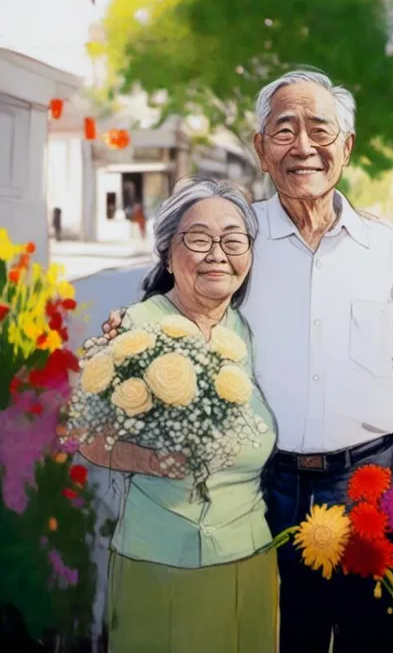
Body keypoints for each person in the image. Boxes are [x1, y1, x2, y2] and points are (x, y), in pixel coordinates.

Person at [89, 70, 393, 653]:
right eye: (284, 130)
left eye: (319, 130)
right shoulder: (239, 238)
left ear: (346, 147)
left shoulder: (386, 248)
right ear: (260, 149)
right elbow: (180, 308)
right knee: (277, 638)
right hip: (266, 488)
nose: (303, 146)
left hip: (371, 484)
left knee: (378, 636)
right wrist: (126, 334)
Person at [79, 179, 278, 653]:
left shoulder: (244, 332)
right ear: (168, 254)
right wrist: (150, 462)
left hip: (247, 558)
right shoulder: (134, 331)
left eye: (233, 240)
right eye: (198, 238)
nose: (217, 253)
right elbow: (85, 435)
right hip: (158, 561)